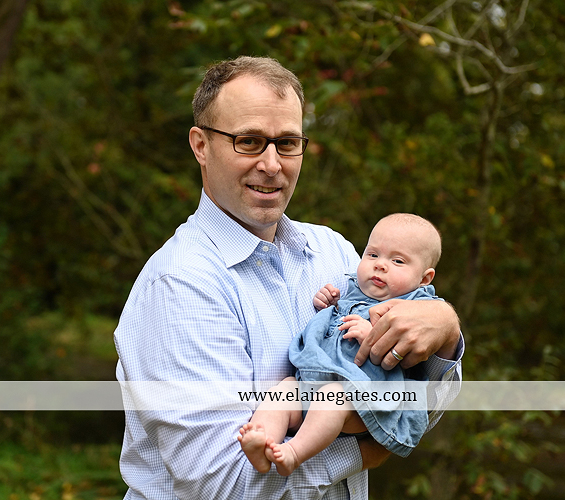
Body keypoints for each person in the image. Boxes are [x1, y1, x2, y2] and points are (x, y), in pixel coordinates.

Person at [114, 56, 464, 500]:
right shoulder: (182, 284)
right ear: (201, 146)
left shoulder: (335, 253)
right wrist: (365, 450)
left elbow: (417, 404)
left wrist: (445, 332)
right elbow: (223, 485)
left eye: (287, 143)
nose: (271, 164)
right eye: (249, 141)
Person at [238, 213, 444, 476]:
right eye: (373, 255)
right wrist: (330, 303)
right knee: (285, 389)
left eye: (398, 261)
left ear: (424, 278)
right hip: (313, 384)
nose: (380, 265)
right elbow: (339, 317)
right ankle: (262, 439)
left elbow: (415, 357)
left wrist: (374, 335)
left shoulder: (417, 309)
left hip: (364, 399)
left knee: (333, 396)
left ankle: (293, 453)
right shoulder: (355, 288)